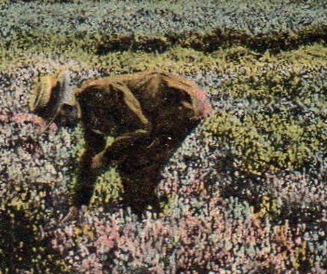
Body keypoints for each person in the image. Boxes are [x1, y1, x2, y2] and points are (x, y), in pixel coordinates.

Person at [30, 68, 212, 214]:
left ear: (65, 107)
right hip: (161, 112)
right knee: (133, 165)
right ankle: (146, 215)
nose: (62, 125)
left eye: (58, 119)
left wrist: (107, 156)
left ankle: (149, 218)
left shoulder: (99, 93)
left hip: (180, 102)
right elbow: (91, 156)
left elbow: (140, 127)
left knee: (135, 165)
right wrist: (79, 204)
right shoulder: (85, 112)